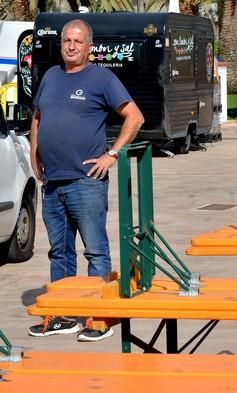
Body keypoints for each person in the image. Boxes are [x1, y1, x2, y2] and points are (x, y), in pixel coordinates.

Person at [28, 19, 144, 341]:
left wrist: (113, 154)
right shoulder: (51, 76)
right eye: (67, 40)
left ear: (89, 47)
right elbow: (38, 116)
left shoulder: (102, 78)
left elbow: (135, 116)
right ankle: (64, 315)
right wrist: (35, 149)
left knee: (95, 250)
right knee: (59, 252)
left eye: (78, 41)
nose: (71, 46)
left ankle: (96, 317)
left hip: (86, 181)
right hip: (53, 184)